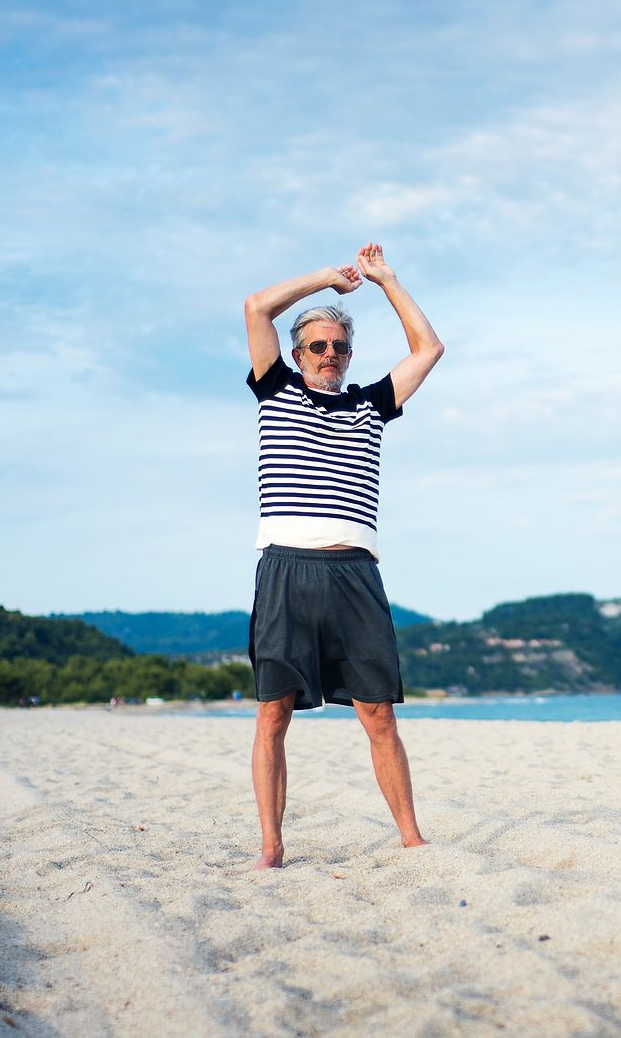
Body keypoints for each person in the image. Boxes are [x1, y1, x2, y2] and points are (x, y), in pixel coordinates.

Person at [243, 243, 444, 869]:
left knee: (378, 713)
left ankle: (410, 835)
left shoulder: (371, 405)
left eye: (339, 347)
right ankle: (272, 847)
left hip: (354, 574)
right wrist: (326, 280)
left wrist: (386, 280)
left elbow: (429, 349)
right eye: (318, 346)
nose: (330, 355)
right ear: (299, 354)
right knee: (274, 712)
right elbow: (257, 307)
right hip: (286, 570)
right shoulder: (275, 390)